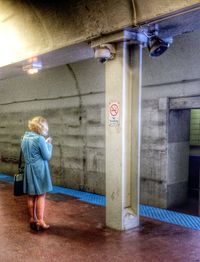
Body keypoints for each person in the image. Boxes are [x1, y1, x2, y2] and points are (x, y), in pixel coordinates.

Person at [21, 116, 53, 231]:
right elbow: (47, 156)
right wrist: (48, 144)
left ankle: (32, 219)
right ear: (41, 127)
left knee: (31, 195)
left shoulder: (25, 137)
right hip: (39, 170)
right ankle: (40, 221)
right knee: (41, 195)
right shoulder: (39, 139)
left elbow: (30, 152)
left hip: (29, 169)